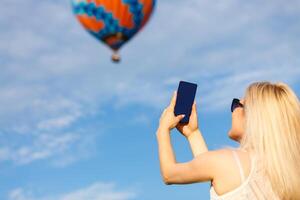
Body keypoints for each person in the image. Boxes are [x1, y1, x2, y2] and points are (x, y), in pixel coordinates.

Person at [156, 81, 300, 200]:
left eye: (237, 104)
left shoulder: (230, 161)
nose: (233, 110)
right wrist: (193, 134)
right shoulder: (286, 174)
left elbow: (169, 173)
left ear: (254, 115)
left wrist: (163, 130)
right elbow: (211, 169)